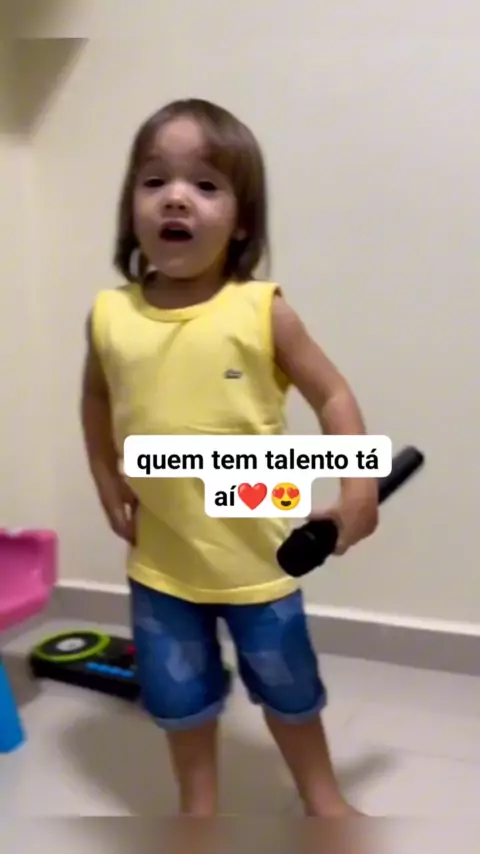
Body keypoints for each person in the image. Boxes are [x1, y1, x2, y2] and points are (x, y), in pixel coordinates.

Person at [80, 98, 378, 817]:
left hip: (258, 556)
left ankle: (324, 801)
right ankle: (199, 810)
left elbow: (333, 393)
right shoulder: (110, 315)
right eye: (155, 181)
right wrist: (105, 475)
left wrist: (358, 485)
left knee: (289, 689)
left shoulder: (261, 309)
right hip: (162, 562)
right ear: (132, 208)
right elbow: (95, 398)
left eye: (206, 184)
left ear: (241, 221)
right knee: (180, 700)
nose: (176, 197)